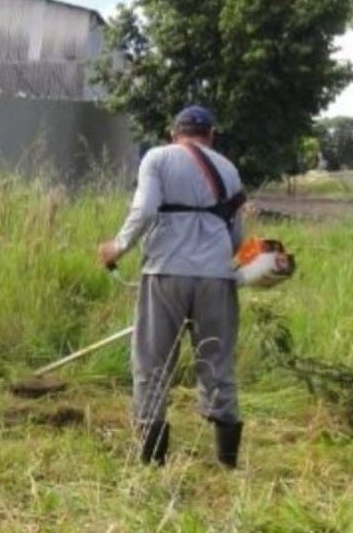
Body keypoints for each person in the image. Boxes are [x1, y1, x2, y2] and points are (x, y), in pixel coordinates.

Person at [97, 105, 247, 468]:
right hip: (216, 277)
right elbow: (238, 237)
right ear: (210, 135)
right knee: (216, 363)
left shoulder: (157, 157)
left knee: (152, 363)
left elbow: (146, 209)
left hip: (166, 273)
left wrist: (117, 246)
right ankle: (227, 464)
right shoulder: (228, 168)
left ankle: (152, 463)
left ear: (173, 133)